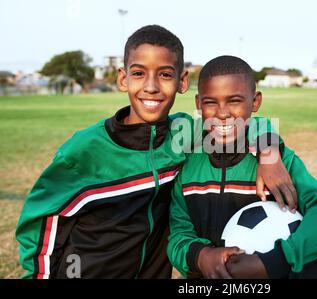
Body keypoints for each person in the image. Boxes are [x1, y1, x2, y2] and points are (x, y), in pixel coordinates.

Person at [15, 26, 295, 279]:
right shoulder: (84, 150)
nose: (151, 86)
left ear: (182, 81)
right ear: (123, 79)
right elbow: (42, 224)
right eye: (138, 73)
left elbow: (248, 123)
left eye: (164, 74)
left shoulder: (185, 134)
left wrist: (269, 155)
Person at [167, 56, 317, 279]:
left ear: (255, 102)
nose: (222, 113)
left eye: (234, 100)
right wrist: (202, 256)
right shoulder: (188, 162)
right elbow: (178, 235)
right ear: (198, 103)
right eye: (210, 102)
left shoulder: (279, 161)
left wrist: (275, 261)